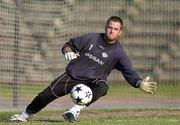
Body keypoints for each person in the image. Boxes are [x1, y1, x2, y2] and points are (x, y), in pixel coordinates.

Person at [10, 16, 157, 122]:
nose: (112, 31)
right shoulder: (91, 38)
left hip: (94, 80)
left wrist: (138, 83)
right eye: (110, 27)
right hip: (73, 75)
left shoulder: (119, 52)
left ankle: (74, 110)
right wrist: (67, 51)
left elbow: (128, 71)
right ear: (106, 27)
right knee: (45, 95)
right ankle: (24, 116)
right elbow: (69, 44)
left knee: (103, 87)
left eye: (115, 29)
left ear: (120, 32)